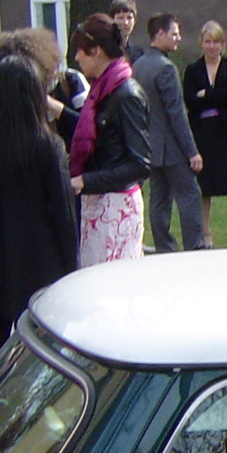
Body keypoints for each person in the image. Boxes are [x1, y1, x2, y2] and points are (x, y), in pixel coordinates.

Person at [0, 54, 79, 398]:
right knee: (44, 335)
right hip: (39, 256)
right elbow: (63, 212)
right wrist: (72, 265)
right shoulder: (47, 144)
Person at [69, 14, 150, 265]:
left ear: (96, 51)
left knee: (112, 281)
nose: (77, 57)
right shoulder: (102, 90)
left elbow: (140, 165)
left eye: (80, 51)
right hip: (98, 205)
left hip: (116, 210)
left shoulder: (126, 95)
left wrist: (84, 180)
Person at [134, 13, 206, 253]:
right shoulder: (165, 68)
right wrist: (192, 152)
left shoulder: (138, 66)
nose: (178, 38)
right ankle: (194, 247)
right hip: (171, 147)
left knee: (159, 199)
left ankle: (164, 248)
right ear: (159, 34)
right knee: (190, 195)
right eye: (174, 33)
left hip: (149, 146)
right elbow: (176, 113)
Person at [183, 21, 227, 247]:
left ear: (222, 44)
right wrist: (217, 95)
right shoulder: (193, 70)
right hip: (203, 132)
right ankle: (205, 234)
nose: (211, 46)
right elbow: (190, 100)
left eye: (216, 42)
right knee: (203, 185)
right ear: (201, 43)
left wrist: (207, 94)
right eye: (207, 41)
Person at [107, 0, 147, 64]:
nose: (125, 23)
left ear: (134, 21)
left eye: (129, 18)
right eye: (120, 18)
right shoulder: (105, 51)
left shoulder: (139, 53)